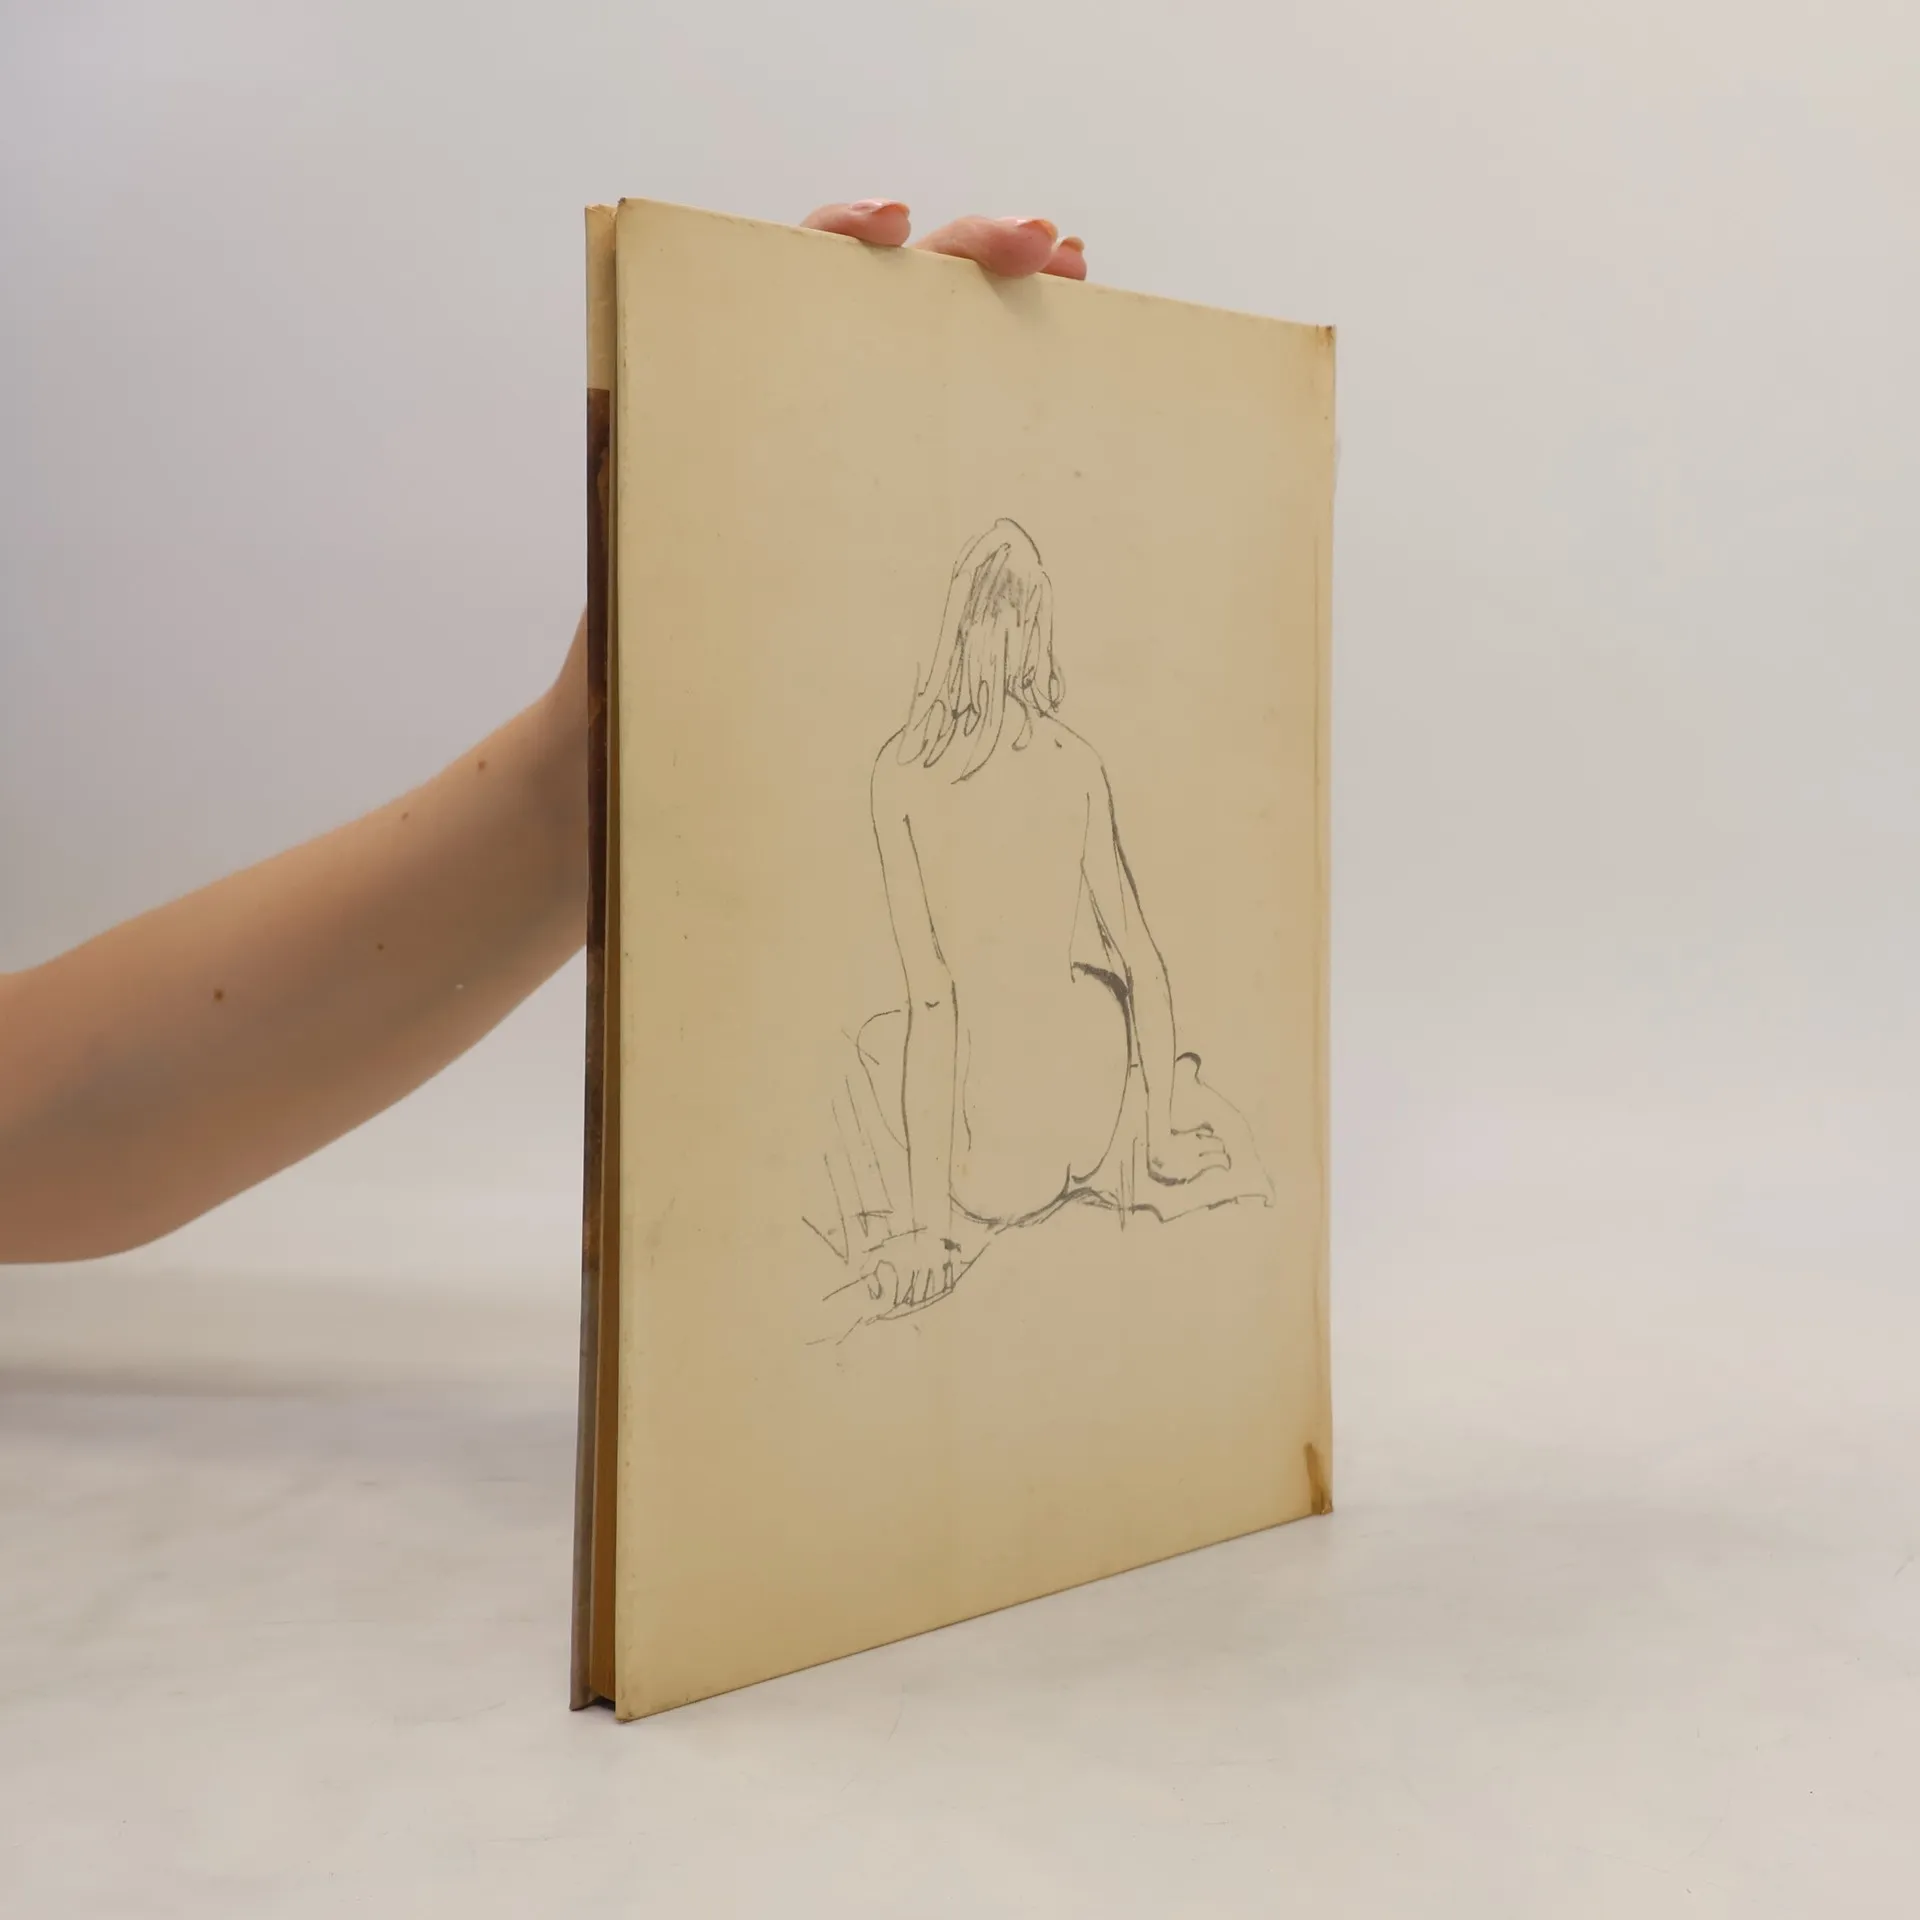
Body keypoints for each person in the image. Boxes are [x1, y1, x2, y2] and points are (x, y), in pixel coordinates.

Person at [0, 203, 1089, 1264]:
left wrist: (594, 774)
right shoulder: (980, 774)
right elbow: (55, 1135)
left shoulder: (959, 771)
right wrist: (594, 781)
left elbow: (50, 1131)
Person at [806, 520, 1274, 1324]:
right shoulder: (1075, 762)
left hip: (986, 1176)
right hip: (1082, 1121)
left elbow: (932, 1001)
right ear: (1035, 629)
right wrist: (1161, 1135)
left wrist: (928, 1230)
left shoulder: (899, 774)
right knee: (1095, 981)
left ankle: (932, 1204)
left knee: (886, 1036)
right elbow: (1141, 960)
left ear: (956, 628)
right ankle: (1145, 1119)